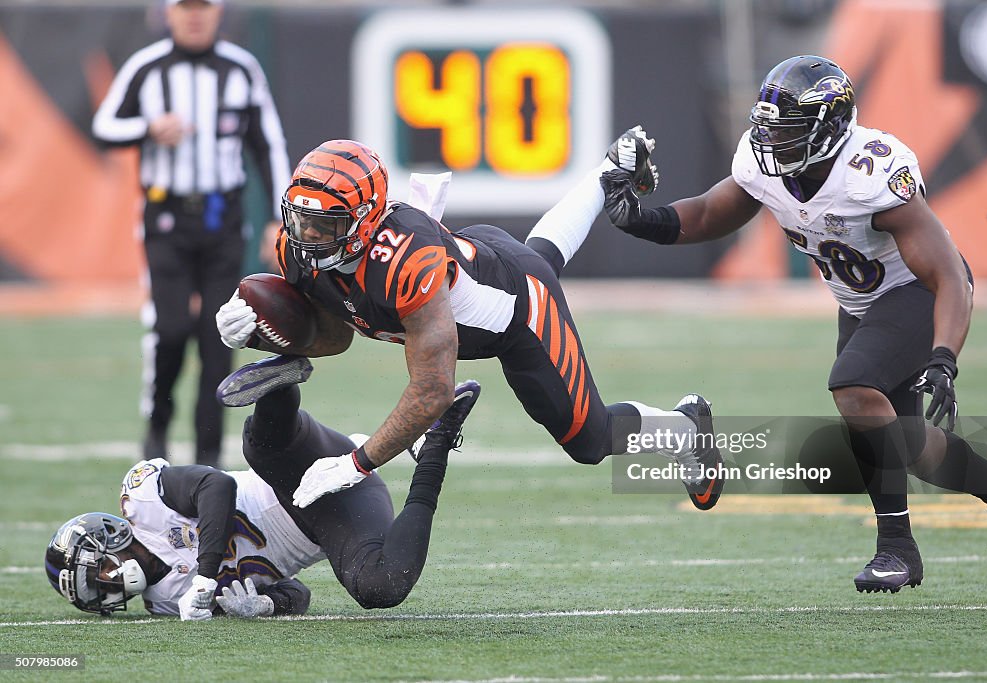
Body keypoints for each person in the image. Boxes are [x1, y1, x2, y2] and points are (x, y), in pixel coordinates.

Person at [599, 55, 987, 592]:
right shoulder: (768, 168)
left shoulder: (869, 172)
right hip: (862, 301)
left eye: (790, 130)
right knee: (912, 446)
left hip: (915, 291)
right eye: (770, 129)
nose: (774, 142)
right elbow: (709, 214)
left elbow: (948, 275)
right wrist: (641, 219)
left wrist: (944, 356)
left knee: (853, 387)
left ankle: (896, 548)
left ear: (829, 127)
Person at [214, 130, 726, 512]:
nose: (308, 236)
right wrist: (260, 331)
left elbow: (435, 389)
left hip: (518, 307)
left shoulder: (403, 259)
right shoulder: (298, 247)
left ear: (366, 220)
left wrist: (356, 463)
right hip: (476, 259)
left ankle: (682, 429)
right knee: (539, 254)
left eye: (326, 224)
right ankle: (605, 176)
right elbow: (337, 334)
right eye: (301, 219)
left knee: (589, 442)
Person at [44, 366, 480, 619]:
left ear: (111, 540)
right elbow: (300, 595)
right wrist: (266, 605)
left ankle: (284, 368)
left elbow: (216, 485)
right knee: (380, 590)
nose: (106, 583)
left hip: (299, 467)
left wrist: (205, 572)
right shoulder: (165, 603)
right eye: (94, 588)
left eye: (98, 570)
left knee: (258, 444)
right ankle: (435, 445)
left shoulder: (144, 501)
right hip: (334, 519)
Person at [92, 0, 291, 467]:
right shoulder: (148, 67)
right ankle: (157, 426)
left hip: (224, 221)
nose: (195, 15)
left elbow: (268, 142)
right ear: (170, 13)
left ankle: (208, 453)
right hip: (166, 219)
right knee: (171, 329)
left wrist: (278, 217)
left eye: (203, 6)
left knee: (219, 336)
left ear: (218, 12)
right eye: (186, 7)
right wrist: (148, 128)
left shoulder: (241, 69)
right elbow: (104, 126)